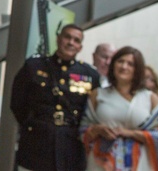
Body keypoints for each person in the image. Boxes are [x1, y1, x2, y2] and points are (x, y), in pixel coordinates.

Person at [11, 23, 100, 171]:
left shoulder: (90, 75)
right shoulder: (33, 66)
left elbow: (93, 110)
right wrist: (33, 125)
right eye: (67, 37)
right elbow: (17, 102)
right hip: (36, 142)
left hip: (71, 146)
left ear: (80, 47)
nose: (71, 42)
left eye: (76, 40)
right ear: (58, 39)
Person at [81, 46, 158, 171]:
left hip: (139, 163)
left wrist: (130, 133)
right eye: (120, 61)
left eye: (130, 64)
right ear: (113, 65)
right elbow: (83, 131)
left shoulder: (150, 98)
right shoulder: (97, 95)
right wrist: (97, 130)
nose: (124, 67)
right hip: (101, 163)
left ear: (138, 70)